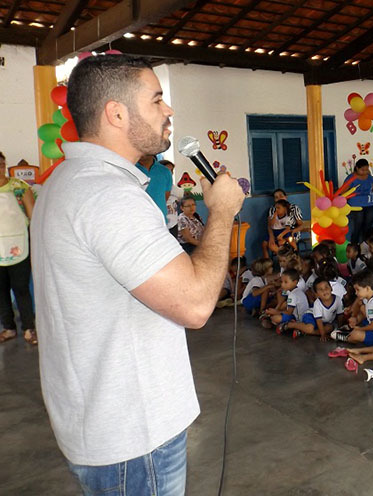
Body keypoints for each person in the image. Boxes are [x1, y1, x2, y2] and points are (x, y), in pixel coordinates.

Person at [31, 55, 245, 493]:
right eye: (157, 100)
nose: (168, 112)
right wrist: (221, 212)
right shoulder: (108, 197)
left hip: (100, 421)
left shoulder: (66, 181)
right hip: (134, 435)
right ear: (116, 113)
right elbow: (197, 303)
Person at [0, 150, 36, 345]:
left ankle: (29, 328)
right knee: (1, 291)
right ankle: (8, 328)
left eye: (1, 165)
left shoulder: (18, 187)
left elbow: (33, 216)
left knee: (21, 288)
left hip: (17, 246)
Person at [346, 158, 373, 246]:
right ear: (357, 168)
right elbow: (344, 190)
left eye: (366, 169)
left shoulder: (369, 177)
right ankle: (355, 246)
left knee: (368, 225)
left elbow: (372, 186)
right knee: (358, 225)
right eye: (362, 170)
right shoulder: (351, 178)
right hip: (356, 205)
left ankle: (366, 245)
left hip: (369, 204)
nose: (365, 172)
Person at [136, 153, 173, 222]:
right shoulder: (129, 169)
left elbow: (165, 197)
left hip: (160, 221)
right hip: (137, 221)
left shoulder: (165, 171)